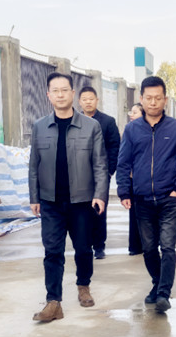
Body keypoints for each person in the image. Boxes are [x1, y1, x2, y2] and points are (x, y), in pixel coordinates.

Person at [28, 73, 108, 323]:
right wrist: (34, 197)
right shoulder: (40, 126)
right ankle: (53, 301)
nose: (60, 95)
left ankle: (83, 286)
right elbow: (33, 165)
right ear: (48, 95)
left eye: (65, 90)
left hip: (82, 201)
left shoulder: (91, 126)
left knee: (83, 249)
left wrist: (100, 195)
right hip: (50, 201)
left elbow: (100, 164)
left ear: (73, 94)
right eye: (55, 90)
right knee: (52, 251)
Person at [117, 76, 176, 314]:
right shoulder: (132, 129)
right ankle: (157, 283)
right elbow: (123, 163)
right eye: (148, 98)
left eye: (157, 98)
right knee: (149, 249)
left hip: (168, 199)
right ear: (141, 99)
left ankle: (163, 294)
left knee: (167, 246)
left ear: (165, 100)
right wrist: (124, 191)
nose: (153, 102)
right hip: (142, 200)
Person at [78, 86, 121, 260]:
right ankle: (84, 244)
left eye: (91, 99)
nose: (88, 102)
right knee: (81, 211)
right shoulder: (75, 121)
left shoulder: (108, 122)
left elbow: (115, 147)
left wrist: (109, 171)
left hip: (100, 174)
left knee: (99, 210)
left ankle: (99, 246)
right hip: (79, 175)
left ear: (97, 100)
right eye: (84, 99)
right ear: (79, 102)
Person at [126, 103, 144, 256]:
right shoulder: (129, 130)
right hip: (134, 179)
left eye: (135, 112)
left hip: (150, 180)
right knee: (134, 214)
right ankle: (135, 246)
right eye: (131, 112)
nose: (131, 115)